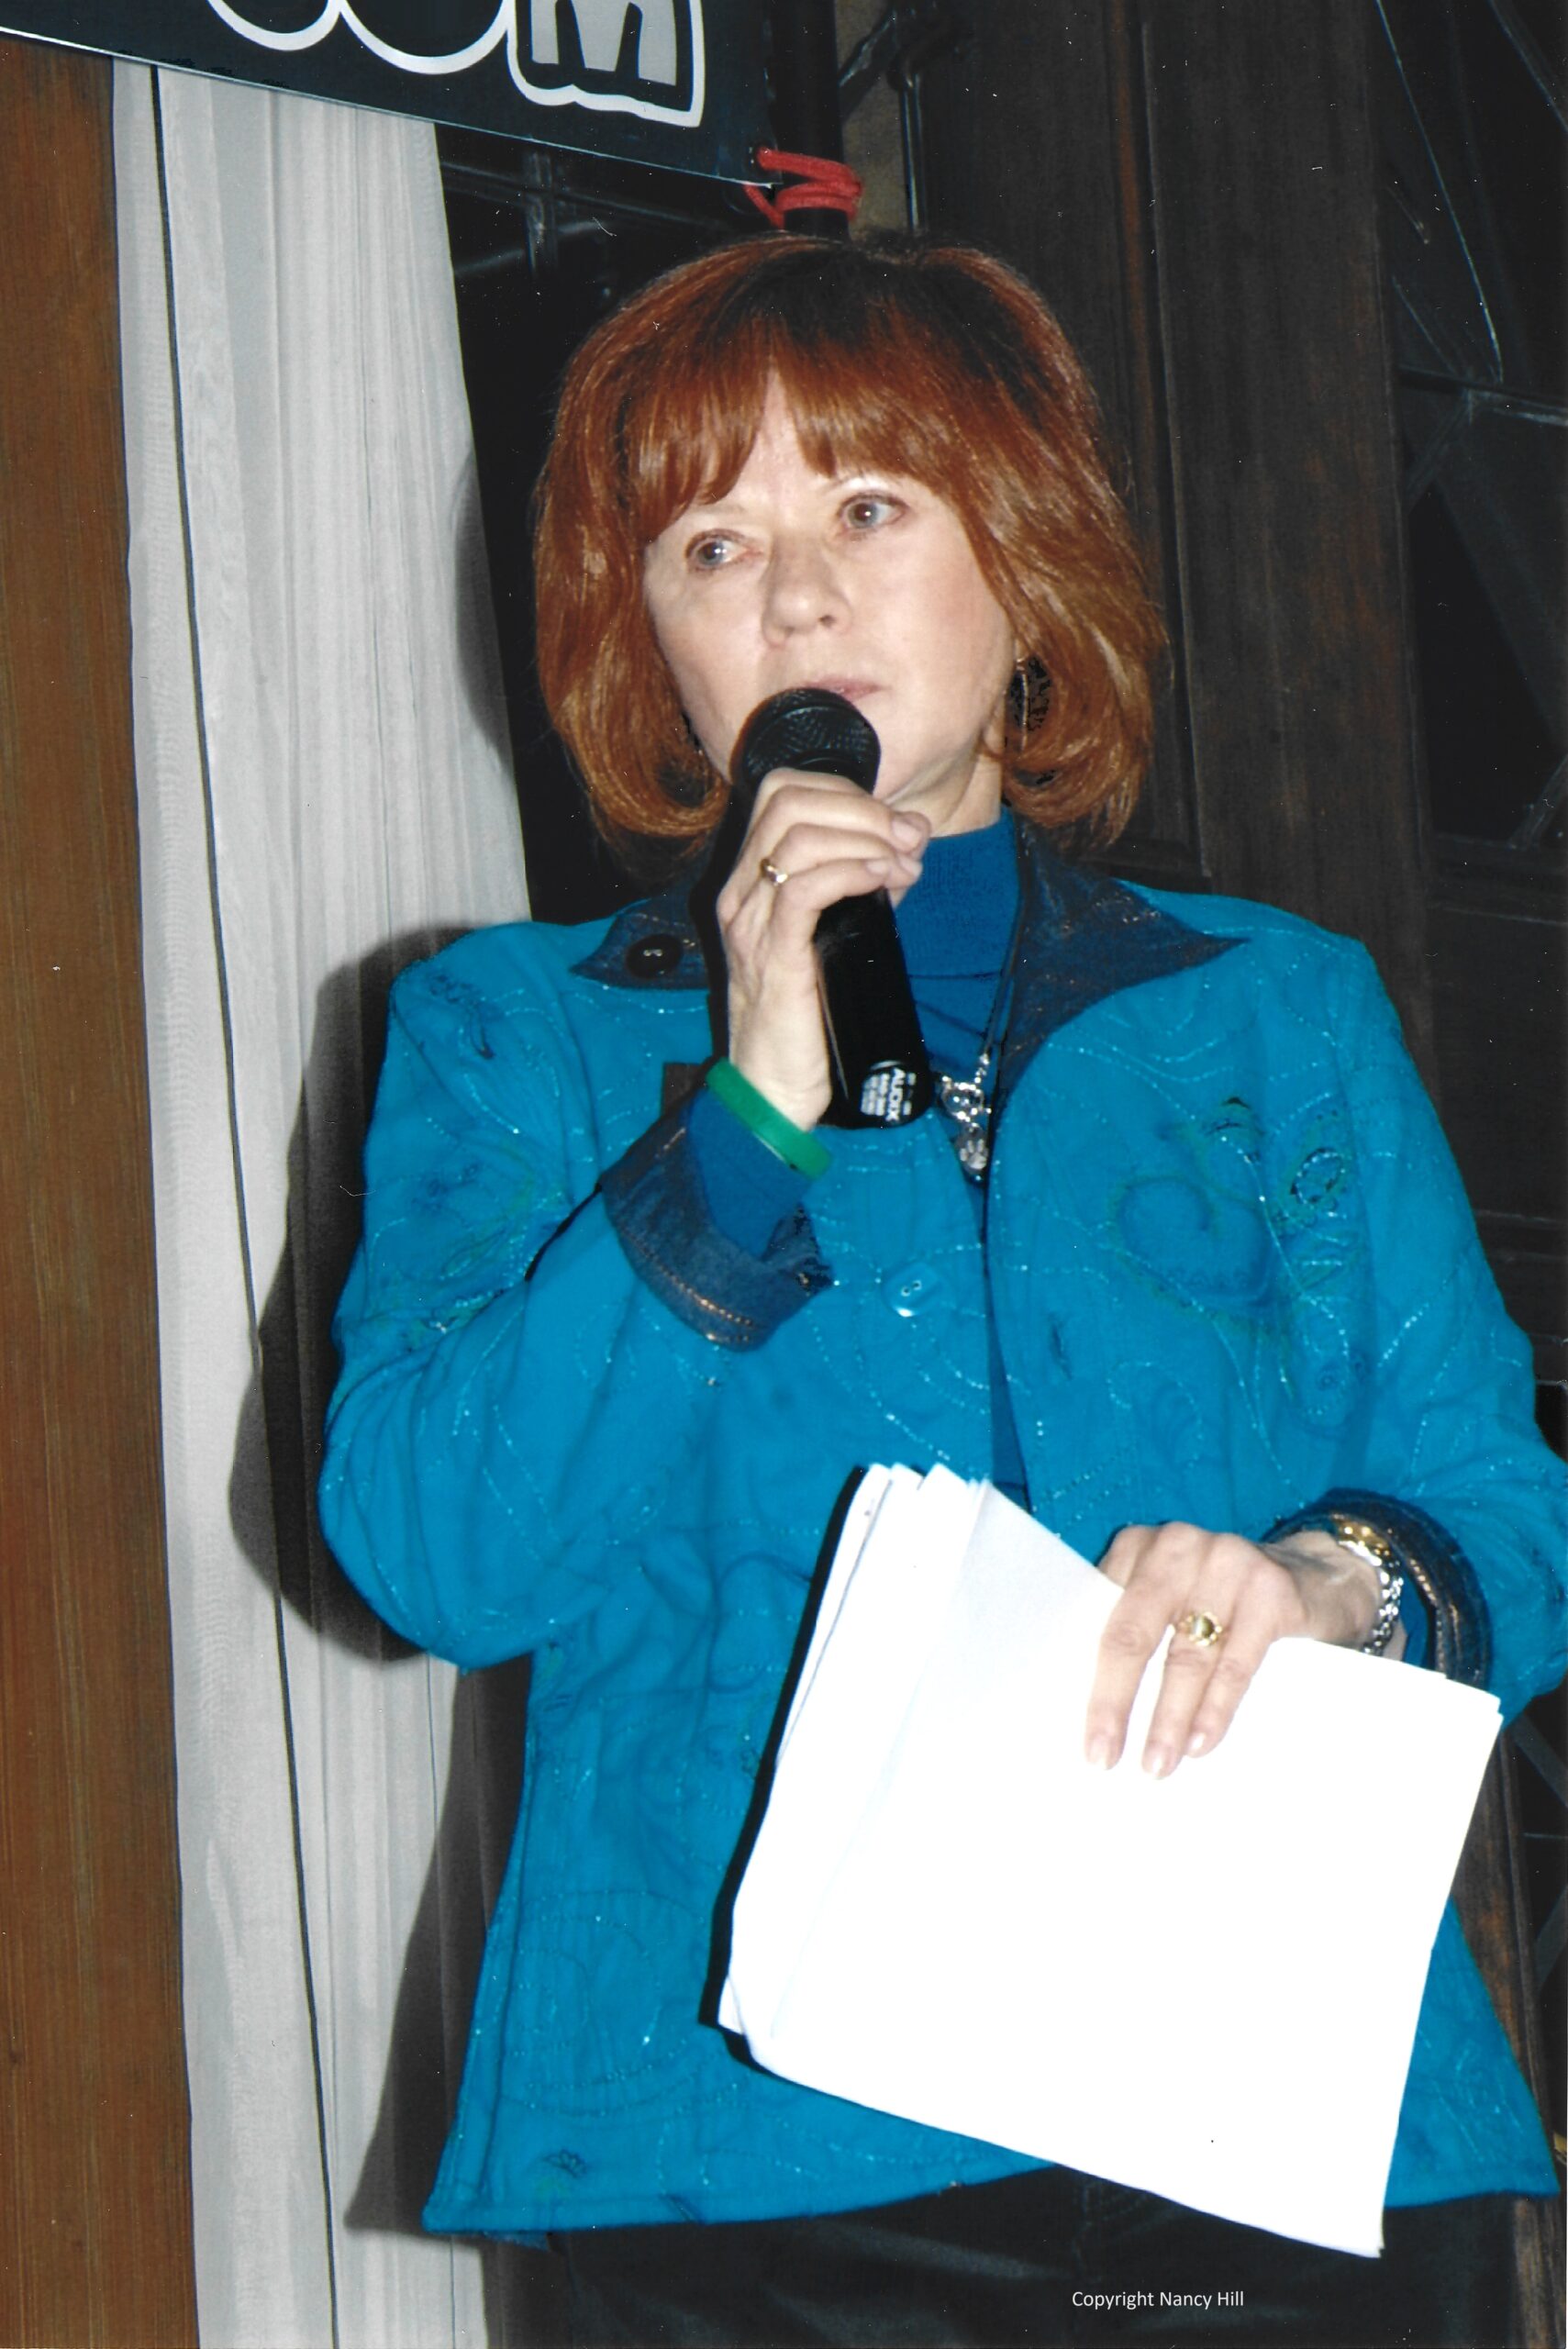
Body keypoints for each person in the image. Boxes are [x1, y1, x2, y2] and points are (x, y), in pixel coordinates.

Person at [318, 234, 1565, 2343]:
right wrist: (749, 1118)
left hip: (1283, 2118)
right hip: (753, 2163)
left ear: (1027, 571)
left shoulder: (1277, 1013)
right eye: (714, 543)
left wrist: (1326, 1580)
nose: (797, 594)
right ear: (654, 646)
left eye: (869, 510)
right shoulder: (513, 1035)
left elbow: (1506, 1515)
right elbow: (433, 1548)